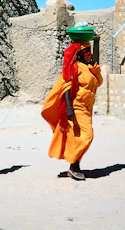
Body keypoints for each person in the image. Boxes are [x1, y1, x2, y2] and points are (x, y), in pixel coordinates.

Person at [41, 41, 103, 180]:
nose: (87, 53)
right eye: (84, 50)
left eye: (89, 50)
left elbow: (98, 82)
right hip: (77, 107)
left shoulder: (89, 68)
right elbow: (66, 88)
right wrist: (69, 108)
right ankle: (73, 165)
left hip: (87, 108)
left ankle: (75, 167)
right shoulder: (74, 68)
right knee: (87, 135)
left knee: (79, 137)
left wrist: (93, 66)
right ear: (78, 54)